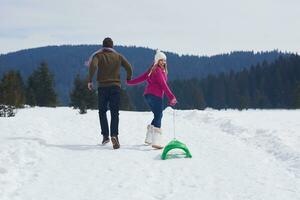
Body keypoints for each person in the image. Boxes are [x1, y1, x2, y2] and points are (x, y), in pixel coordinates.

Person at [87, 37, 132, 149]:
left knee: (102, 111)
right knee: (114, 112)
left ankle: (105, 136)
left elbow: (93, 65)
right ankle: (114, 135)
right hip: (115, 87)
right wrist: (128, 78)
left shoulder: (98, 56)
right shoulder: (118, 56)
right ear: (112, 46)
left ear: (103, 46)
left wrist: (89, 80)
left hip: (102, 87)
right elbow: (129, 68)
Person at [126, 50, 177, 149]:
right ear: (157, 61)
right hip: (155, 96)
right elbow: (163, 85)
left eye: (164, 60)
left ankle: (149, 137)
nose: (163, 62)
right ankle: (156, 141)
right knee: (159, 115)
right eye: (161, 60)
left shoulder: (152, 70)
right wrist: (171, 97)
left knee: (157, 115)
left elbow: (141, 78)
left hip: (148, 95)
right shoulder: (158, 70)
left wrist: (130, 82)